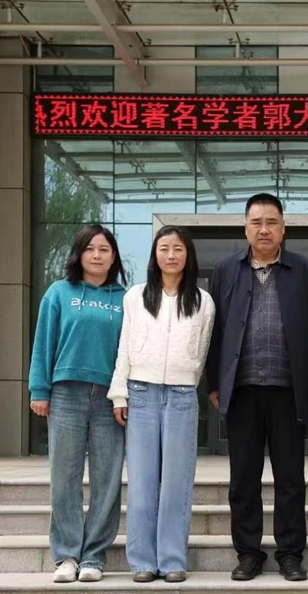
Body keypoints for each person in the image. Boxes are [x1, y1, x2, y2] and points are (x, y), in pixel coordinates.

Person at [206, 193, 308, 582]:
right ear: (245, 228)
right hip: (241, 390)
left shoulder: (304, 270)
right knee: (243, 478)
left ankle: (290, 554)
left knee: (290, 478)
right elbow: (214, 330)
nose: (264, 229)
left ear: (283, 228)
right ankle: (248, 553)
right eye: (256, 222)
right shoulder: (226, 269)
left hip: (289, 390)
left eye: (271, 222)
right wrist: (215, 382)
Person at [107, 226, 215, 583]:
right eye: (164, 248)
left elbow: (202, 351)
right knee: (141, 482)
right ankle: (142, 561)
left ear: (188, 255)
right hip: (141, 393)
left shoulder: (202, 300)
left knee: (176, 483)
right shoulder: (136, 296)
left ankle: (172, 560)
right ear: (155, 254)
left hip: (182, 396)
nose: (171, 255)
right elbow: (124, 346)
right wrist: (119, 393)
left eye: (178, 248)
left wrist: (188, 382)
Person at [28, 224, 128, 583]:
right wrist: (39, 389)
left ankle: (94, 557)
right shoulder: (59, 292)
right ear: (79, 254)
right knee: (64, 477)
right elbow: (43, 341)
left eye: (104, 249)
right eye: (90, 249)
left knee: (107, 479)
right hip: (66, 394)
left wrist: (125, 395)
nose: (97, 255)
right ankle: (67, 555)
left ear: (113, 257)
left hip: (109, 398)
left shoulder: (126, 299)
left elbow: (130, 352)